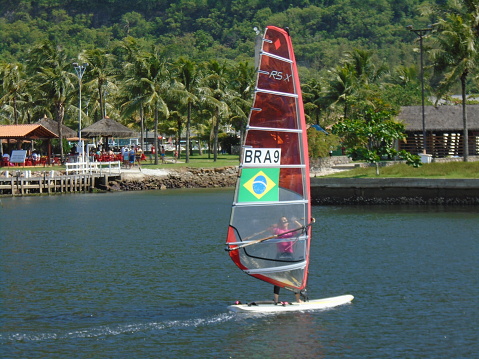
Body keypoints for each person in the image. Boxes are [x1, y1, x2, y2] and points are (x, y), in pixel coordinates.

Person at [270, 216, 303, 304]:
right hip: (279, 255)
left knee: (295, 278)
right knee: (278, 278)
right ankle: (276, 300)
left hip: (289, 256)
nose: (284, 222)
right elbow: (269, 229)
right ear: (280, 223)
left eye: (285, 220)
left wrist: (295, 221)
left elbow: (301, 229)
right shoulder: (277, 231)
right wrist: (274, 226)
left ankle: (297, 299)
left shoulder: (291, 231)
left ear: (288, 222)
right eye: (282, 221)